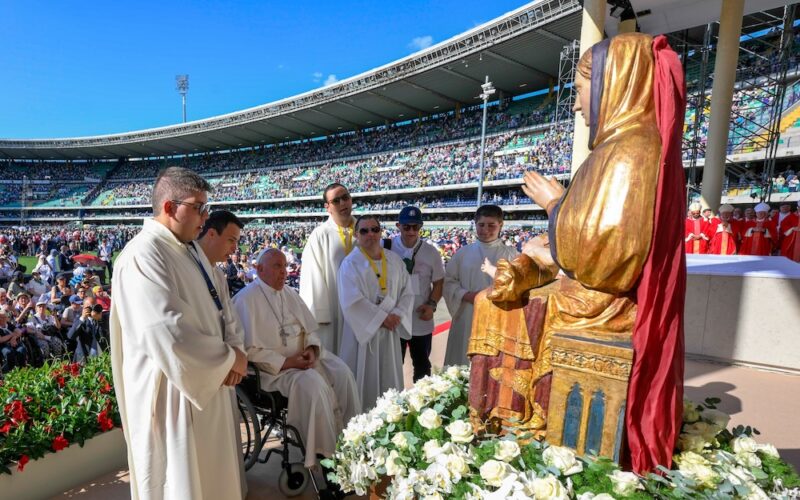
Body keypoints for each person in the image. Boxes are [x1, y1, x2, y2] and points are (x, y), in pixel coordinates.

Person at [511, 33, 687, 472]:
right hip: (593, 288)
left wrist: (554, 206)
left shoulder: (630, 152)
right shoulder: (619, 148)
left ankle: (523, 423)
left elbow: (603, 260)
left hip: (601, 302)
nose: (575, 105)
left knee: (500, 305)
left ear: (613, 83)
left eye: (579, 90)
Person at [110, 167, 247, 500]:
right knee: (183, 482)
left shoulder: (191, 249)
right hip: (175, 391)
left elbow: (221, 305)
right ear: (170, 208)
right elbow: (166, 329)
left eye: (206, 208)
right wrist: (228, 358)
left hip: (212, 380)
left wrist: (235, 349)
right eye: (198, 207)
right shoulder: (142, 255)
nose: (205, 217)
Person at [233, 248, 361, 471]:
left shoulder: (289, 293)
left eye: (284, 266)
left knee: (342, 373)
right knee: (312, 385)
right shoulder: (245, 300)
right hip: (272, 372)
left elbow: (310, 329)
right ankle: (325, 457)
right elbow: (247, 351)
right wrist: (289, 363)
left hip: (304, 360)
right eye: (277, 267)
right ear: (259, 269)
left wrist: (312, 349)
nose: (284, 272)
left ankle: (353, 441)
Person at [337, 215, 414, 410]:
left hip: (389, 333)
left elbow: (408, 291)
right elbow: (351, 301)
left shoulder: (394, 260)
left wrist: (397, 314)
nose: (370, 234)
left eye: (375, 229)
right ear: (356, 235)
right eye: (364, 230)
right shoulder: (350, 264)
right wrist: (381, 318)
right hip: (362, 337)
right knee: (364, 385)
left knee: (389, 383)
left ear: (381, 232)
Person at [442, 205, 518, 367]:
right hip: (467, 313)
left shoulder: (512, 255)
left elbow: (519, 285)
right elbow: (448, 282)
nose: (486, 230)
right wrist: (466, 295)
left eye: (492, 225)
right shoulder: (462, 253)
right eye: (481, 225)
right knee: (463, 361)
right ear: (475, 224)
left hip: (499, 315)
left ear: (501, 225)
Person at [385, 206, 445, 382]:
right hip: (394, 318)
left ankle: (422, 406)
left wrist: (432, 305)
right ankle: (393, 404)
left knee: (422, 367)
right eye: (406, 227)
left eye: (415, 227)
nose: (411, 231)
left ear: (421, 227)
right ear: (398, 226)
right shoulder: (385, 247)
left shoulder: (431, 251)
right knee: (393, 366)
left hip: (420, 318)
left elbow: (439, 282)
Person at [299, 183, 356, 355]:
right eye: (336, 201)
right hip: (334, 311)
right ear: (328, 207)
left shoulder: (366, 230)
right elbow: (312, 278)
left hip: (363, 310)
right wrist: (320, 315)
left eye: (345, 197)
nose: (342, 203)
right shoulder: (320, 235)